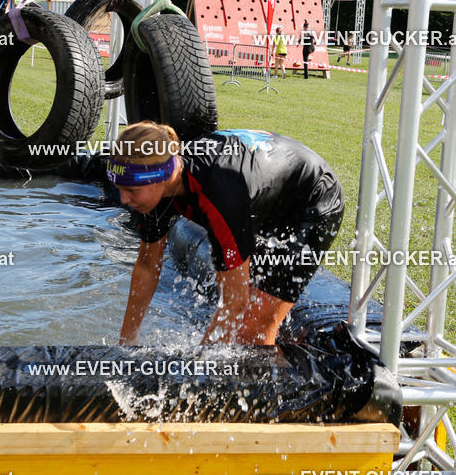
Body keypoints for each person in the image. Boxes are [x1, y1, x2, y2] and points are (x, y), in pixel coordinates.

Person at [107, 122, 344, 347]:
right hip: (263, 198)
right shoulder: (155, 190)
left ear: (160, 176)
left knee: (253, 332)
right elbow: (148, 266)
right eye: (119, 188)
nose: (124, 199)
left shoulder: (219, 195)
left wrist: (194, 369)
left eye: (131, 190)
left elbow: (235, 303)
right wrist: (127, 343)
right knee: (246, 310)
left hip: (312, 199)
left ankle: (282, 384)